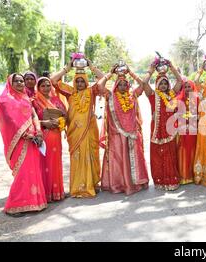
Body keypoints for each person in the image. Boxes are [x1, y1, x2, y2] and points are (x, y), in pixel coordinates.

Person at [50, 58, 104, 198]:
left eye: (82, 81)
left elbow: (103, 79)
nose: (80, 84)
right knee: (77, 158)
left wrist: (91, 66)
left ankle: (91, 184)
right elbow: (53, 81)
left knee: (91, 156)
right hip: (74, 132)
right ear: (74, 82)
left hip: (89, 130)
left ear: (86, 82)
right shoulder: (70, 92)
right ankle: (78, 187)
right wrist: (67, 68)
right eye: (77, 81)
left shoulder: (92, 91)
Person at [0, 74, 47, 216]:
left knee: (33, 171)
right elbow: (9, 122)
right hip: (19, 141)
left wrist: (38, 131)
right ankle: (15, 205)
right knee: (22, 173)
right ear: (10, 83)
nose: (20, 83)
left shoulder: (25, 97)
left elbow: (33, 115)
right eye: (17, 81)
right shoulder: (4, 100)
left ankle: (34, 203)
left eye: (21, 81)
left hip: (33, 141)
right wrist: (26, 134)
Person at [97, 65, 149, 195]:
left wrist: (131, 72)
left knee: (135, 158)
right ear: (116, 86)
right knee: (119, 160)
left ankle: (135, 183)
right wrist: (110, 73)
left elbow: (142, 84)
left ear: (128, 85)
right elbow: (100, 86)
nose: (122, 87)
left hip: (132, 133)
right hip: (117, 135)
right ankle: (119, 184)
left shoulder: (133, 95)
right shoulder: (110, 96)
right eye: (119, 85)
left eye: (125, 85)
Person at [142, 59, 182, 191]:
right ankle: (159, 180)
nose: (164, 85)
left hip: (170, 130)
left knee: (171, 154)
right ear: (157, 85)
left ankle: (171, 179)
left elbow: (180, 81)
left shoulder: (172, 95)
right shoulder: (152, 95)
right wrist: (151, 69)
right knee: (157, 155)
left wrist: (171, 67)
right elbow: (144, 82)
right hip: (157, 130)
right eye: (161, 83)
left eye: (165, 83)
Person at [32, 77, 67, 202]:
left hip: (56, 135)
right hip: (44, 136)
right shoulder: (34, 102)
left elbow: (65, 115)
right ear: (38, 87)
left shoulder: (56, 99)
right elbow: (30, 120)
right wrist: (43, 122)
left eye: (48, 85)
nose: (46, 88)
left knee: (55, 163)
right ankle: (45, 194)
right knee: (44, 164)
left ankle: (57, 192)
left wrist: (60, 121)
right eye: (43, 86)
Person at [176, 79, 199, 185]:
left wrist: (196, 117)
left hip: (195, 129)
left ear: (193, 88)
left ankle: (194, 174)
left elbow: (202, 113)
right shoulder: (179, 99)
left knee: (194, 149)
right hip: (183, 129)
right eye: (185, 87)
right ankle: (185, 175)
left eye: (189, 86)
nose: (187, 89)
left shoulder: (197, 99)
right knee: (184, 150)